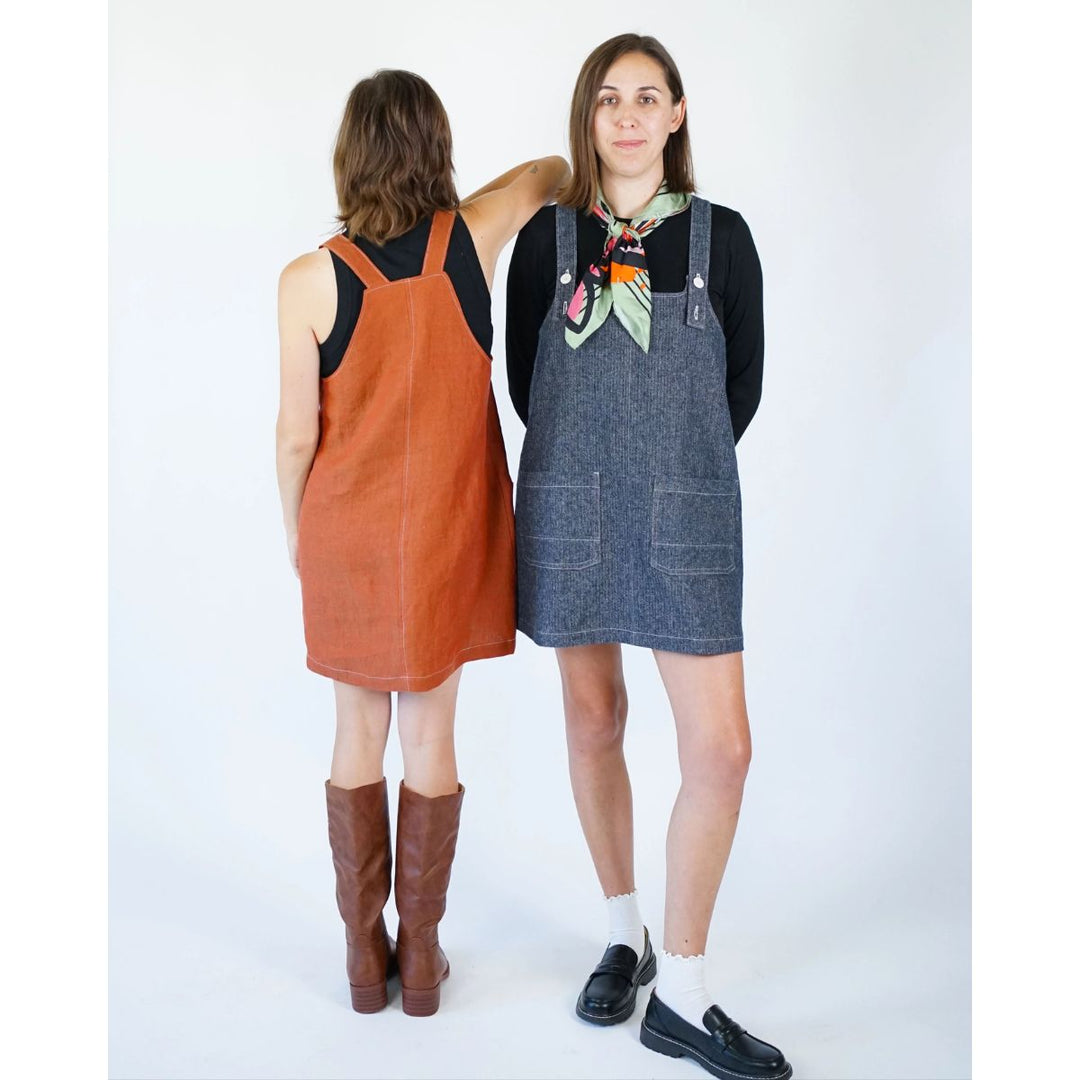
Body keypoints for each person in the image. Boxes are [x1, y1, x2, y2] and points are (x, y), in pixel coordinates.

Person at [506, 34, 792, 1078]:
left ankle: (684, 984)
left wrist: (666, 464)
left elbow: (740, 390)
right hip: (571, 504)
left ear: (677, 115)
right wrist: (603, 463)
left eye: (647, 98)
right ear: (588, 119)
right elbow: (526, 389)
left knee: (721, 750)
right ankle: (624, 933)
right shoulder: (545, 243)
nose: (627, 117)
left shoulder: (728, 239)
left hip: (688, 511)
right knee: (594, 720)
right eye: (607, 100)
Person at [275, 68, 568, 1017]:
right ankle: (425, 960)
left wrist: (298, 536)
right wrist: (501, 192)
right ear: (436, 147)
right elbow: (550, 170)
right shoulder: (472, 239)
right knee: (431, 735)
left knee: (355, 729)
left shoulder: (308, 278)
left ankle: (365, 959)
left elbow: (293, 436)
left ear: (349, 154)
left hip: (344, 539)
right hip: (446, 536)